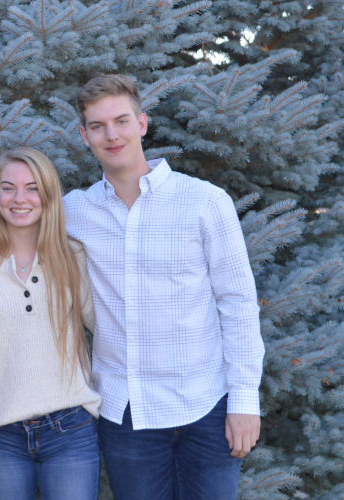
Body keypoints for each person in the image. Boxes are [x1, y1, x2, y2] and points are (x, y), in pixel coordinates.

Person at [63, 74, 265, 500]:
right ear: (84, 136)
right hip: (126, 413)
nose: (111, 135)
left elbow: (239, 303)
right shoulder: (74, 211)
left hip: (205, 407)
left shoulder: (205, 202)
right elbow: (13, 238)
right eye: (97, 126)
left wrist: (245, 401)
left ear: (142, 123)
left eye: (121, 121)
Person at [0, 147, 101, 500]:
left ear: (48, 195)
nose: (19, 198)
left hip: (70, 427)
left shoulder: (73, 256)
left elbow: (107, 329)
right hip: (0, 434)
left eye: (32, 187)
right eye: (8, 188)